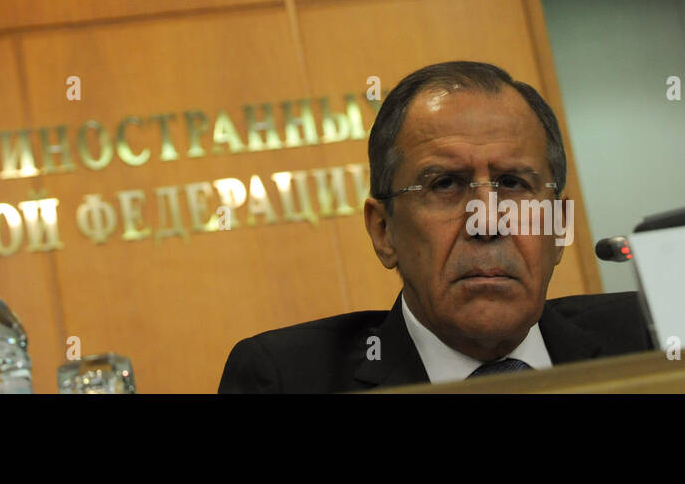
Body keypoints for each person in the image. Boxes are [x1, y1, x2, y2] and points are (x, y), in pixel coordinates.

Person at [218, 61, 652, 393]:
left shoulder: (654, 338)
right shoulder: (287, 381)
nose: (487, 222)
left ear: (559, 226)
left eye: (513, 184)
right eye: (445, 184)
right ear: (383, 231)